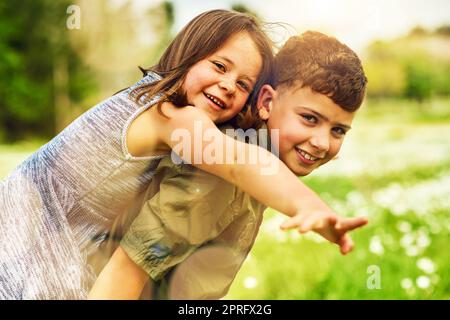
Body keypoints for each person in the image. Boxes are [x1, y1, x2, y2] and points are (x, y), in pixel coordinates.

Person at [0, 9, 340, 300]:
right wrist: (306, 204)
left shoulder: (146, 100)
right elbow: (240, 164)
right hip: (21, 264)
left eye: (242, 85)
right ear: (188, 55)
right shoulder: (171, 117)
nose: (227, 85)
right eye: (220, 66)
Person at [87, 31, 369, 300]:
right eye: (309, 118)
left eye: (339, 131)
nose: (321, 142)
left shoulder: (261, 164)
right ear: (267, 102)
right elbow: (126, 271)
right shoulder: (218, 176)